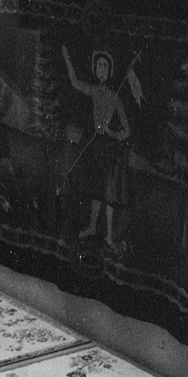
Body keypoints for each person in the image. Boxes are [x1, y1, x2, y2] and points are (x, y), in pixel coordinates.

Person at [61, 44, 130, 251]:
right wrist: (67, 58)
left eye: (104, 66)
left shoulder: (115, 97)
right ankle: (92, 227)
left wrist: (110, 132)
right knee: (95, 189)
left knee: (108, 194)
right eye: (99, 65)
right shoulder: (93, 90)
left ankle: (108, 236)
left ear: (110, 71)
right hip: (94, 145)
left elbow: (127, 131)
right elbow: (75, 82)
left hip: (108, 148)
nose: (101, 69)